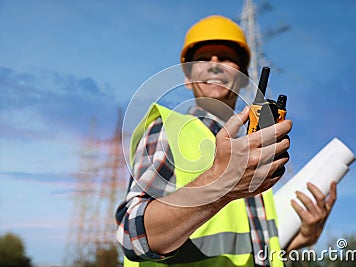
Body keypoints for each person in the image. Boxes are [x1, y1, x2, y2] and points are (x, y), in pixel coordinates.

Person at [116, 15, 337, 267]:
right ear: (187, 79)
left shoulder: (250, 158)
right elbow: (131, 236)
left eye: (225, 58)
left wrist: (303, 239)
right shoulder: (169, 129)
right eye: (203, 59)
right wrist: (221, 184)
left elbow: (256, 253)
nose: (215, 65)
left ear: (242, 77)